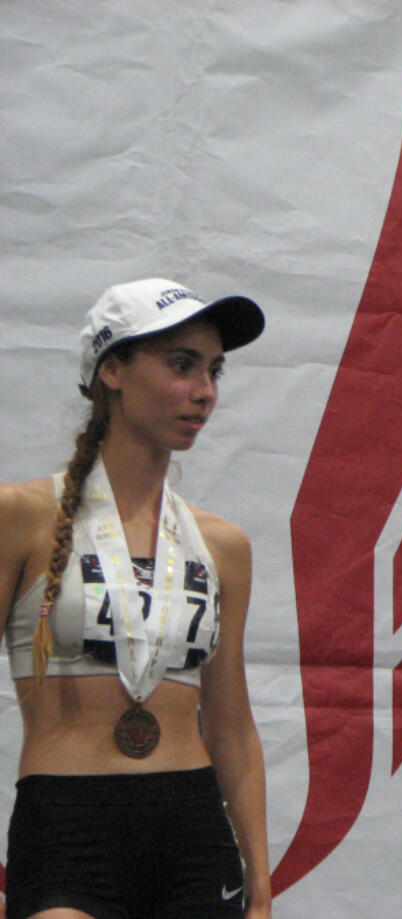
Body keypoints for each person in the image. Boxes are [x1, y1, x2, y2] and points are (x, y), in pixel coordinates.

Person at [0, 279, 272, 918]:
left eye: (214, 369)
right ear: (112, 370)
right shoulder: (21, 516)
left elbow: (231, 723)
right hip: (66, 830)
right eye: (181, 365)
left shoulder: (222, 544)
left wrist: (260, 889)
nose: (204, 390)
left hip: (194, 835)